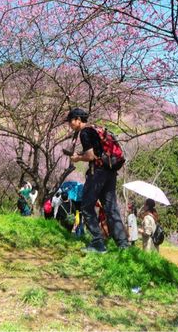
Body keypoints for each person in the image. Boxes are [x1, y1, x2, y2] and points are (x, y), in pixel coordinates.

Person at [65, 108, 128, 253]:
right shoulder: (97, 128)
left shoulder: (85, 132)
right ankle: (123, 244)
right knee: (111, 209)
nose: (70, 125)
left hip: (97, 173)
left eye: (70, 121)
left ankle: (98, 243)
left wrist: (77, 158)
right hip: (110, 172)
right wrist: (83, 154)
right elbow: (97, 151)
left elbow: (91, 156)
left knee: (86, 206)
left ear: (77, 120)